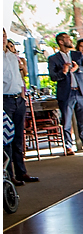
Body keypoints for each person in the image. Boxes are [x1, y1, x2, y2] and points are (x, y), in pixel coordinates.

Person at [47, 32, 83, 155]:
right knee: (66, 120)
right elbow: (53, 77)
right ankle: (68, 146)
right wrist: (63, 72)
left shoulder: (77, 55)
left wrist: (78, 69)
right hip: (66, 93)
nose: (70, 40)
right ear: (61, 41)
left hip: (81, 91)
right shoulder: (53, 59)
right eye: (67, 38)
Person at [2, 30, 37, 184]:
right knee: (6, 140)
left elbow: (20, 78)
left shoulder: (12, 56)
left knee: (18, 138)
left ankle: (21, 172)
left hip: (18, 99)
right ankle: (9, 176)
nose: (3, 39)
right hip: (5, 100)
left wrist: (22, 96)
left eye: (3, 35)